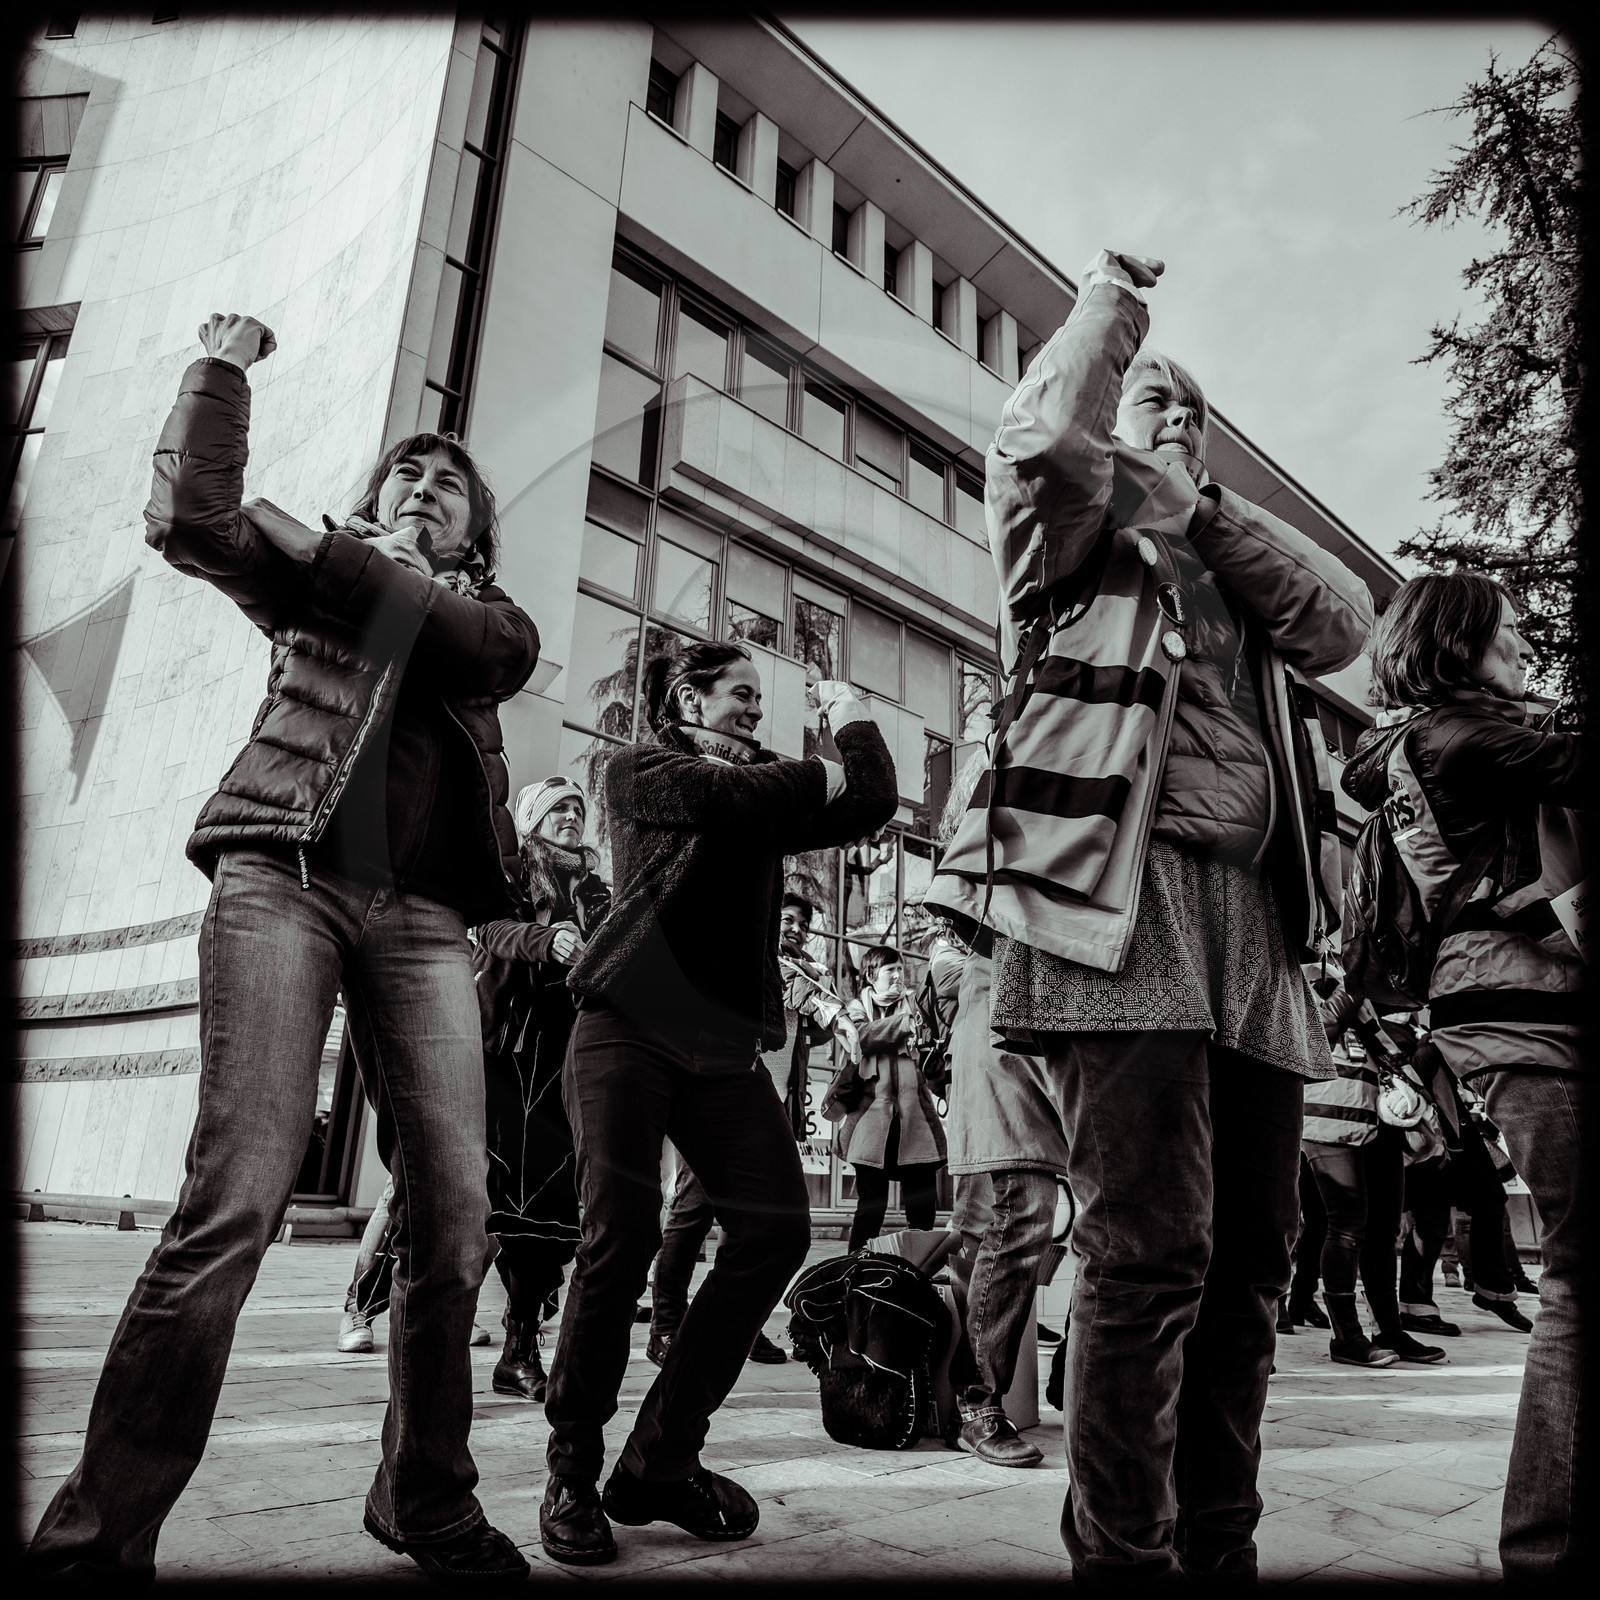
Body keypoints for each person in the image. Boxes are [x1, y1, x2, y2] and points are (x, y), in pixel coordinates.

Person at [28, 314, 540, 1587]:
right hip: (285, 876)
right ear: (376, 498)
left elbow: (485, 651)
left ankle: (425, 1500)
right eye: (402, 477)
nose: (422, 489)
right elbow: (191, 520)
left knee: (458, 1218)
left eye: (447, 485)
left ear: (476, 530)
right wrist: (221, 374)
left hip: (425, 921)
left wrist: (339, 554)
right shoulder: (305, 578)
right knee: (237, 1202)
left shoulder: (485, 617)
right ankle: (97, 1540)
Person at [922, 250, 1373, 1583]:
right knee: (1150, 1250)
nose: (1173, 415)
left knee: (1249, 1267)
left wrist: (1205, 501)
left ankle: (1217, 1546)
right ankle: (1125, 1556)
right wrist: (1114, 312)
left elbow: (1345, 620)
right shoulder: (1063, 546)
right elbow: (1049, 437)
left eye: (1192, 406)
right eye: (1154, 400)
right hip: (1111, 906)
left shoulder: (1228, 559)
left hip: (1255, 932)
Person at [537, 644, 896, 1567]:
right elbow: (731, 800)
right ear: (685, 698)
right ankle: (572, 1471)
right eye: (739, 695)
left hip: (723, 1053)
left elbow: (871, 801)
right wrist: (817, 765)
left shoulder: (766, 794)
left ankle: (658, 1462)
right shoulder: (639, 769)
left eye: (759, 699)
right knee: (618, 1235)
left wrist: (849, 708)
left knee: (775, 1232)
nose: (751, 709)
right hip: (626, 1024)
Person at [1341, 572, 1585, 1582]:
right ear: (1457, 641)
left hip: (1487, 1005)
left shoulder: (1405, 748)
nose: (1524, 645)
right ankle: (1544, 1546)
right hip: (1526, 999)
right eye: (1510, 634)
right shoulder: (1463, 738)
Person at [647, 893, 859, 1370]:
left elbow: (809, 1031)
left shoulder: (802, 969)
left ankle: (740, 1325)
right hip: (716, 1100)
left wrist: (821, 998)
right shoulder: (760, 957)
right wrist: (831, 1006)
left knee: (757, 1223)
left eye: (803, 923)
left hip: (769, 1105)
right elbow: (793, 989)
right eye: (786, 919)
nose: (796, 929)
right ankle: (666, 1324)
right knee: (693, 1212)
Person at [470, 775, 612, 1399]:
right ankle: (381, 1304)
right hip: (508, 1051)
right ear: (532, 820)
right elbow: (489, 930)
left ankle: (519, 1342)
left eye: (580, 810)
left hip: (570, 1058)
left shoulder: (598, 888)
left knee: (554, 1205)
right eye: (559, 808)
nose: (572, 818)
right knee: (502, 1197)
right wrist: (545, 940)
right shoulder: (513, 874)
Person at [1300, 986, 1444, 1366]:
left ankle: (1389, 1329)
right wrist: (1352, 991)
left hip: (1379, 1121)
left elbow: (1395, 1059)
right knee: (1346, 1227)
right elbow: (1315, 1034)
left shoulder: (1368, 1003)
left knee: (1383, 1231)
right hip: (1329, 1117)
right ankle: (1346, 1336)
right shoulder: (1308, 978)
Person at [1397, 1040, 1530, 1337]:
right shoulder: (1384, 1027)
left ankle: (1494, 1291)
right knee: (1430, 1220)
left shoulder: (1425, 1033)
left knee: (1491, 1200)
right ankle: (1415, 1306)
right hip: (1420, 1133)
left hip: (1455, 1129)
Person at [825, 944, 949, 1254]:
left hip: (917, 1122)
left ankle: (918, 1272)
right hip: (870, 1124)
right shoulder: (856, 1008)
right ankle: (854, 1270)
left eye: (900, 969)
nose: (898, 975)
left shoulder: (916, 1006)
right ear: (870, 976)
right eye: (889, 969)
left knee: (922, 1211)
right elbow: (861, 1035)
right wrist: (905, 1025)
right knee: (871, 1208)